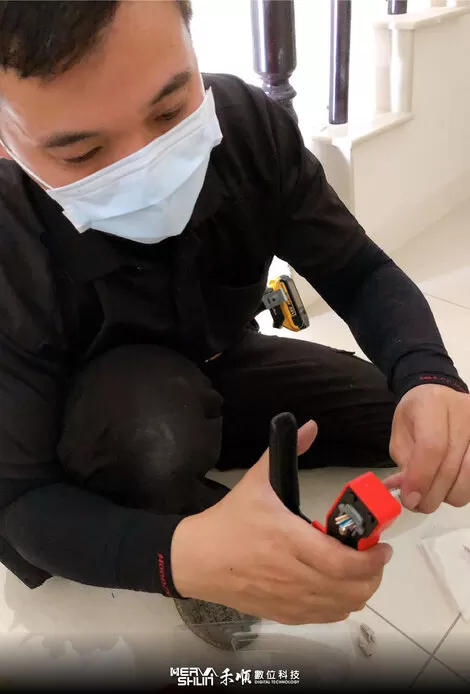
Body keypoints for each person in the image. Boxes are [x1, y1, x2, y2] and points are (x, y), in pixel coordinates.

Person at [0, 0, 469, 652]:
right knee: (152, 432)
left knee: (399, 418)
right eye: (82, 152)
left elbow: (358, 271)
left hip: (220, 361)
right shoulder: (11, 240)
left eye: (170, 111)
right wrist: (178, 556)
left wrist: (429, 375)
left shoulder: (247, 126)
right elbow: (19, 503)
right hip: (104, 420)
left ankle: (203, 459)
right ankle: (180, 518)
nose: (148, 164)